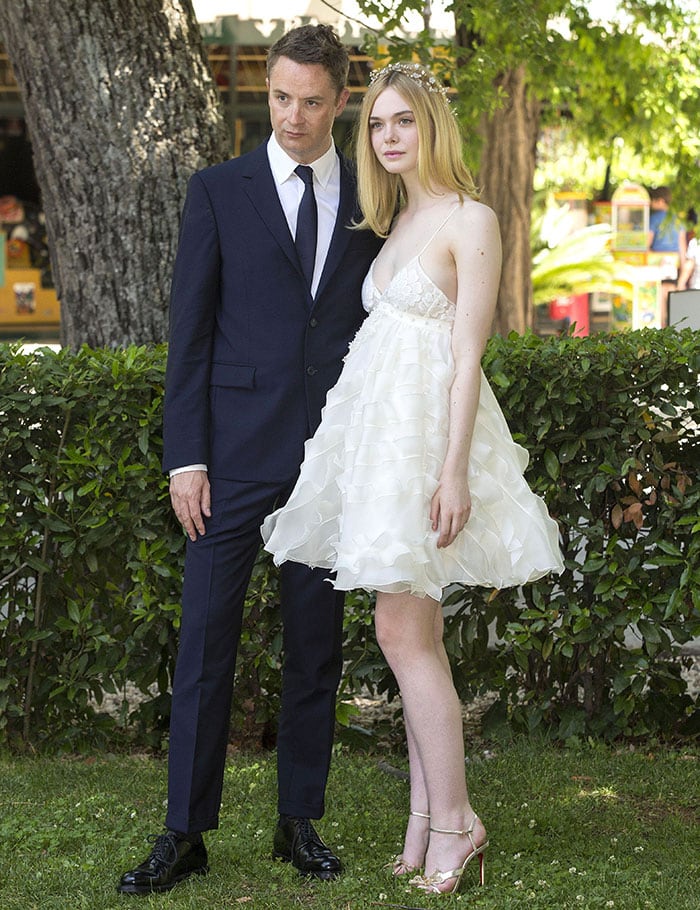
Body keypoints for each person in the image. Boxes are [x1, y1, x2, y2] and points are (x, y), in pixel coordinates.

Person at [262, 62, 564, 896]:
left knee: (401, 635)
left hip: (428, 447)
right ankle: (425, 819)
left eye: (404, 122)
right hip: (379, 446)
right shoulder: (394, 222)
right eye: (379, 127)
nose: (390, 138)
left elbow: (467, 354)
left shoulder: (470, 219)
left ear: (433, 125)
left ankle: (457, 823)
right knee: (410, 636)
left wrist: (454, 471)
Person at [117, 24, 382, 895]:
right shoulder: (218, 191)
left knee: (316, 647)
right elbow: (188, 336)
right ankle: (184, 832)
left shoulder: (373, 203)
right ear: (264, 91)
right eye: (279, 97)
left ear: (339, 100)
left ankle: (297, 819)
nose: (294, 116)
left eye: (311, 101)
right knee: (204, 646)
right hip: (228, 460)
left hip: (329, 458)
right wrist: (184, 457)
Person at [647, 185, 686, 325]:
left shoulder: (653, 219)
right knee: (673, 302)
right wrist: (683, 275)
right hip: (674, 266)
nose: (651, 203)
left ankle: (662, 331)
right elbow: (682, 248)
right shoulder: (678, 220)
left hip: (657, 264)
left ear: (661, 200)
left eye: (654, 200)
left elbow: (647, 243)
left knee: (660, 303)